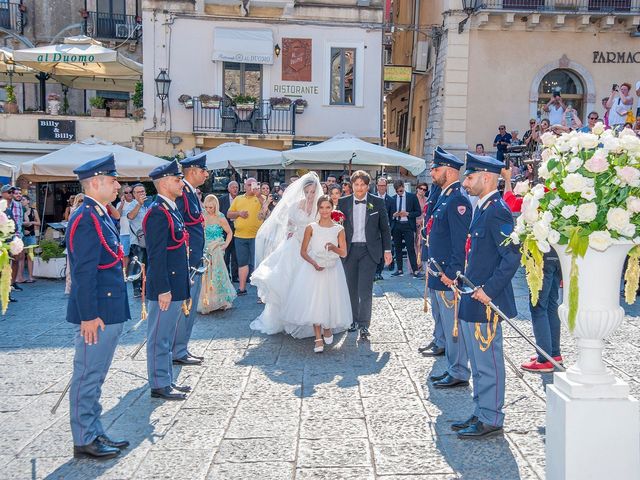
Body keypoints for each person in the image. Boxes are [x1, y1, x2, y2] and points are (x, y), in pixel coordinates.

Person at [65, 154, 131, 459]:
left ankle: (94, 428)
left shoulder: (101, 214)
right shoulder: (86, 217)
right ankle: (84, 438)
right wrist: (88, 316)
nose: (118, 185)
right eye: (113, 179)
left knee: (97, 374)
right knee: (88, 374)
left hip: (109, 307)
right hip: (98, 313)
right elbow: (83, 272)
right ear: (95, 182)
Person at [453, 152, 520, 439]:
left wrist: (489, 291)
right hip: (472, 295)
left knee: (487, 362)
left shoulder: (498, 210)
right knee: (478, 364)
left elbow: (511, 257)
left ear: (486, 177)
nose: (464, 183)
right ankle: (482, 411)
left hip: (486, 301)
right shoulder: (483, 207)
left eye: (469, 177)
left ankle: (491, 417)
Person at [250, 173, 322, 335]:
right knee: (288, 280)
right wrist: (290, 232)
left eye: (313, 192)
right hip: (295, 244)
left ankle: (309, 318)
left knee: (309, 284)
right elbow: (288, 224)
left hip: (313, 246)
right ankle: (286, 317)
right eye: (308, 192)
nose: (310, 195)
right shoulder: (295, 205)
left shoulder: (320, 206)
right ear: (303, 192)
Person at [423, 148, 472, 388]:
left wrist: (452, 274)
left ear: (451, 172)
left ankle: (459, 370)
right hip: (438, 271)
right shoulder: (444, 195)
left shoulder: (458, 199)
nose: (432, 172)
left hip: (447, 275)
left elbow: (459, 241)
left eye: (437, 168)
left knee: (454, 328)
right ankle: (454, 368)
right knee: (444, 322)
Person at [143, 161, 191, 401]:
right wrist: (163, 289)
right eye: (177, 179)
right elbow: (156, 255)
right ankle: (159, 383)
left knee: (167, 335)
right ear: (163, 183)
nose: (181, 183)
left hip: (175, 284)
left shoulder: (171, 209)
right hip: (165, 286)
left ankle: (166, 378)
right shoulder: (157, 213)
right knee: (159, 338)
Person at [285, 195, 352, 352]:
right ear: (318, 209)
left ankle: (327, 327)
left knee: (329, 299)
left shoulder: (339, 229)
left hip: (333, 269)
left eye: (328, 207)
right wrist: (314, 263)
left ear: (332, 208)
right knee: (316, 301)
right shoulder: (311, 227)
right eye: (321, 208)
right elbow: (303, 251)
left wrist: (333, 248)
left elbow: (344, 253)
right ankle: (317, 338)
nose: (324, 211)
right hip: (315, 269)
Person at [338, 170, 392, 340]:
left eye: (362, 184)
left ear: (368, 186)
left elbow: (385, 228)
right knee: (351, 288)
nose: (359, 188)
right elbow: (337, 227)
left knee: (365, 290)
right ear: (351, 185)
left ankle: (364, 325)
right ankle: (353, 321)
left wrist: (388, 250)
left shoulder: (377, 202)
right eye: (356, 184)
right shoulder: (343, 202)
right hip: (349, 250)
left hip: (370, 251)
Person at [173, 153, 209, 367]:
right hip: (187, 261)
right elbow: (180, 228)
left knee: (190, 307)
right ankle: (177, 349)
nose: (206, 174)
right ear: (193, 171)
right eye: (203, 171)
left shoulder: (191, 192)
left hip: (195, 259)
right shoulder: (182, 193)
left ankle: (181, 348)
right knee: (183, 308)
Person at [199, 195, 236, 313]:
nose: (208, 209)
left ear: (215, 206)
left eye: (211, 207)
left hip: (217, 249)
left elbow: (229, 232)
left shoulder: (220, 217)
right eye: (206, 207)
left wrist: (225, 245)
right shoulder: (202, 216)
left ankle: (221, 300)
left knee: (218, 274)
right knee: (206, 276)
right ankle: (208, 301)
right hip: (205, 249)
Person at [227, 177, 264, 295]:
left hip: (256, 236)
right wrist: (238, 213)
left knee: (257, 263)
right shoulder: (238, 199)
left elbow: (267, 209)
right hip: (240, 236)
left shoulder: (261, 198)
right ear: (244, 186)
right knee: (242, 263)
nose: (251, 187)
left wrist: (258, 195)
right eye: (249, 185)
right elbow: (228, 214)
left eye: (254, 185)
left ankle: (261, 292)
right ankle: (242, 288)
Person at [388, 180, 422, 278]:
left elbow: (418, 212)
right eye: (398, 191)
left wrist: (408, 214)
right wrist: (394, 215)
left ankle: (415, 270)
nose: (400, 193)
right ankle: (399, 270)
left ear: (404, 187)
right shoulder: (392, 199)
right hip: (397, 225)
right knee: (397, 248)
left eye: (401, 191)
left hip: (408, 225)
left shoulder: (412, 197)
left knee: (410, 248)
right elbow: (389, 215)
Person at [124, 184, 149, 298]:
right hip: (136, 241)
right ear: (133, 195)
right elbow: (131, 217)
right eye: (138, 192)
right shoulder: (131, 205)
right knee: (137, 264)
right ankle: (136, 289)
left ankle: (147, 287)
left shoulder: (148, 205)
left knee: (148, 265)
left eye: (142, 191)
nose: (141, 194)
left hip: (149, 239)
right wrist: (139, 204)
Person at [64, 194, 85, 295]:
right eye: (80, 200)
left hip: (82, 242)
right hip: (73, 242)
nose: (82, 202)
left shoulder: (88, 210)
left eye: (83, 200)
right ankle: (69, 287)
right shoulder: (74, 211)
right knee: (70, 266)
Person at [219, 180, 239, 283]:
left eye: (236, 187)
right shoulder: (222, 199)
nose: (235, 189)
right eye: (233, 187)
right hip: (225, 230)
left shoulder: (240, 199)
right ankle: (226, 276)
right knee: (225, 254)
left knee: (235, 255)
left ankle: (235, 276)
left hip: (237, 229)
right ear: (228, 189)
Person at [374, 177, 393, 281]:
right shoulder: (371, 198)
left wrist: (390, 231)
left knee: (382, 252)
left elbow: (391, 217)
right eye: (380, 185)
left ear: (386, 187)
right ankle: (373, 272)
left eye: (383, 186)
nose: (381, 187)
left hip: (384, 231)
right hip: (372, 230)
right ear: (377, 186)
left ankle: (378, 272)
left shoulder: (390, 200)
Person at [20, 195, 40, 283]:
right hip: (22, 236)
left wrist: (30, 223)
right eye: (21, 200)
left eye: (23, 200)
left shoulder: (33, 211)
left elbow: (38, 222)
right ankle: (20, 277)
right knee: (21, 256)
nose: (22, 201)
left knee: (30, 256)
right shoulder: (19, 211)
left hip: (31, 235)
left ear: (28, 201)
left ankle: (31, 276)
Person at [116, 186, 134, 272]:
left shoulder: (137, 203)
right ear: (123, 194)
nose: (129, 194)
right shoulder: (119, 204)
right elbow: (117, 216)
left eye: (130, 192)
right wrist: (122, 204)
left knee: (137, 255)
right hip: (124, 233)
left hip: (135, 234)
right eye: (126, 193)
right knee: (124, 255)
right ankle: (124, 275)